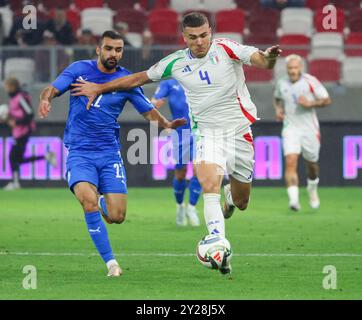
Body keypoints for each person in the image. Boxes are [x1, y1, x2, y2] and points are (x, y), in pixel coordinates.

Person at [71, 13, 282, 275]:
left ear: (210, 32)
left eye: (204, 35)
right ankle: (217, 240)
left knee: (241, 201)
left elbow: (261, 60)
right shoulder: (175, 63)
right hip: (207, 133)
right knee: (208, 182)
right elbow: (136, 79)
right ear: (185, 37)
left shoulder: (227, 48)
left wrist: (270, 57)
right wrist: (98, 89)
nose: (200, 42)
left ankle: (229, 200)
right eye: (193, 37)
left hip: (239, 132)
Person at [37, 30, 185, 277]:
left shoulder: (125, 81)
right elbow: (52, 88)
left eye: (118, 50)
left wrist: (166, 124)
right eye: (108, 48)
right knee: (88, 201)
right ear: (98, 49)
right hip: (79, 152)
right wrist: (46, 99)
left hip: (109, 154)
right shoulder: (78, 70)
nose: (113, 54)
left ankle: (104, 202)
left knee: (117, 216)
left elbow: (147, 111)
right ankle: (111, 263)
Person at [273, 54, 331, 211]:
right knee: (290, 161)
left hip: (309, 130)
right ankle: (294, 200)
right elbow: (277, 99)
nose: (292, 71)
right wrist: (278, 110)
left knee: (312, 164)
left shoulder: (310, 81)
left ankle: (312, 189)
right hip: (290, 128)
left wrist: (310, 103)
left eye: (295, 68)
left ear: (301, 68)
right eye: (290, 68)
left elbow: (327, 100)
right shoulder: (281, 83)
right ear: (287, 69)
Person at [151, 79, 202, 227]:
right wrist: (154, 104)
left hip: (200, 131)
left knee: (199, 169)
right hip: (181, 133)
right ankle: (180, 206)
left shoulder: (200, 77)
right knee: (181, 173)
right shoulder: (169, 83)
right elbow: (153, 101)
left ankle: (192, 207)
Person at [1, 77, 56, 190]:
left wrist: (16, 121)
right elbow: (15, 116)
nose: (6, 89)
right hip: (18, 131)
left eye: (7, 86)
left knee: (13, 157)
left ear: (12, 86)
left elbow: (29, 114)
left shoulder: (20, 97)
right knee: (18, 159)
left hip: (24, 131)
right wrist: (7, 119)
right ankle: (46, 156)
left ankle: (15, 182)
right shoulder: (14, 99)